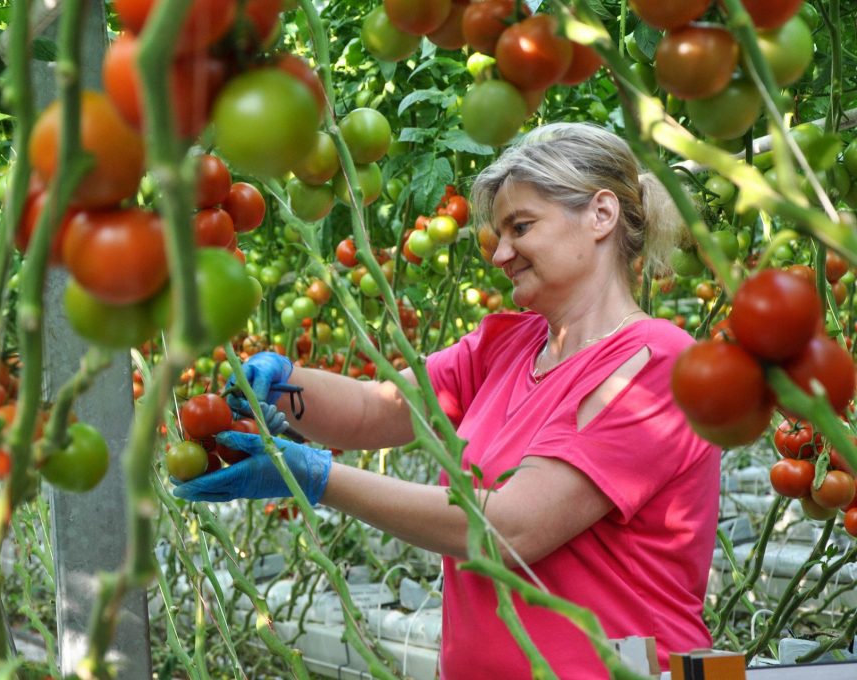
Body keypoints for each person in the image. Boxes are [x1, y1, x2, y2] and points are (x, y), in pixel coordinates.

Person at [173, 122, 721, 679]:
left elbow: (512, 529)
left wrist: (317, 479)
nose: (500, 253)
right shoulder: (507, 345)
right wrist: (283, 382)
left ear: (601, 215)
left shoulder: (659, 364)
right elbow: (376, 408)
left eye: (521, 227)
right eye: (499, 234)